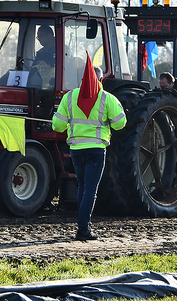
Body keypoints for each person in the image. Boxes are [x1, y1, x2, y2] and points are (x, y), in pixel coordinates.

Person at [53, 58, 127, 241]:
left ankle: (83, 224)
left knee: (83, 187)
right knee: (90, 190)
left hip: (76, 150)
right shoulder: (107, 98)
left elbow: (57, 125)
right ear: (100, 80)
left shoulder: (68, 97)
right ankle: (83, 229)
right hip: (96, 150)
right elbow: (120, 124)